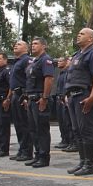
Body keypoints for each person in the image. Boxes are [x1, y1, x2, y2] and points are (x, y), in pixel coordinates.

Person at [65, 28, 93, 176]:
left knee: (86, 130)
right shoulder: (76, 55)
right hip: (73, 96)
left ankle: (90, 164)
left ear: (90, 39)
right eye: (78, 33)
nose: (78, 35)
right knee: (77, 130)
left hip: (84, 95)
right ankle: (82, 162)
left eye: (82, 34)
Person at [24, 37, 54, 168]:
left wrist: (44, 98)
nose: (33, 46)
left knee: (42, 129)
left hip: (39, 98)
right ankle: (37, 155)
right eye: (32, 44)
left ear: (44, 46)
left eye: (36, 44)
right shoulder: (34, 62)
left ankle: (44, 157)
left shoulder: (45, 60)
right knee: (33, 129)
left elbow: (49, 79)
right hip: (31, 99)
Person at [5, 41, 32, 161]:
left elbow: (30, 78)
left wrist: (26, 96)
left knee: (24, 124)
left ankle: (27, 152)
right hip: (15, 94)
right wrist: (9, 97)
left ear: (26, 48)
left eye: (19, 44)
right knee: (18, 125)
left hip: (22, 94)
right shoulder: (16, 62)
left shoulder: (27, 60)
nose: (16, 45)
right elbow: (12, 83)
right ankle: (22, 150)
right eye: (15, 44)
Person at [54, 56, 71, 150]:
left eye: (60, 61)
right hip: (59, 98)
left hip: (65, 99)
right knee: (61, 121)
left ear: (66, 62)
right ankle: (64, 139)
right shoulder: (61, 73)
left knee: (67, 121)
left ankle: (69, 140)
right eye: (58, 61)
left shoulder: (67, 73)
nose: (58, 63)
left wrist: (64, 96)